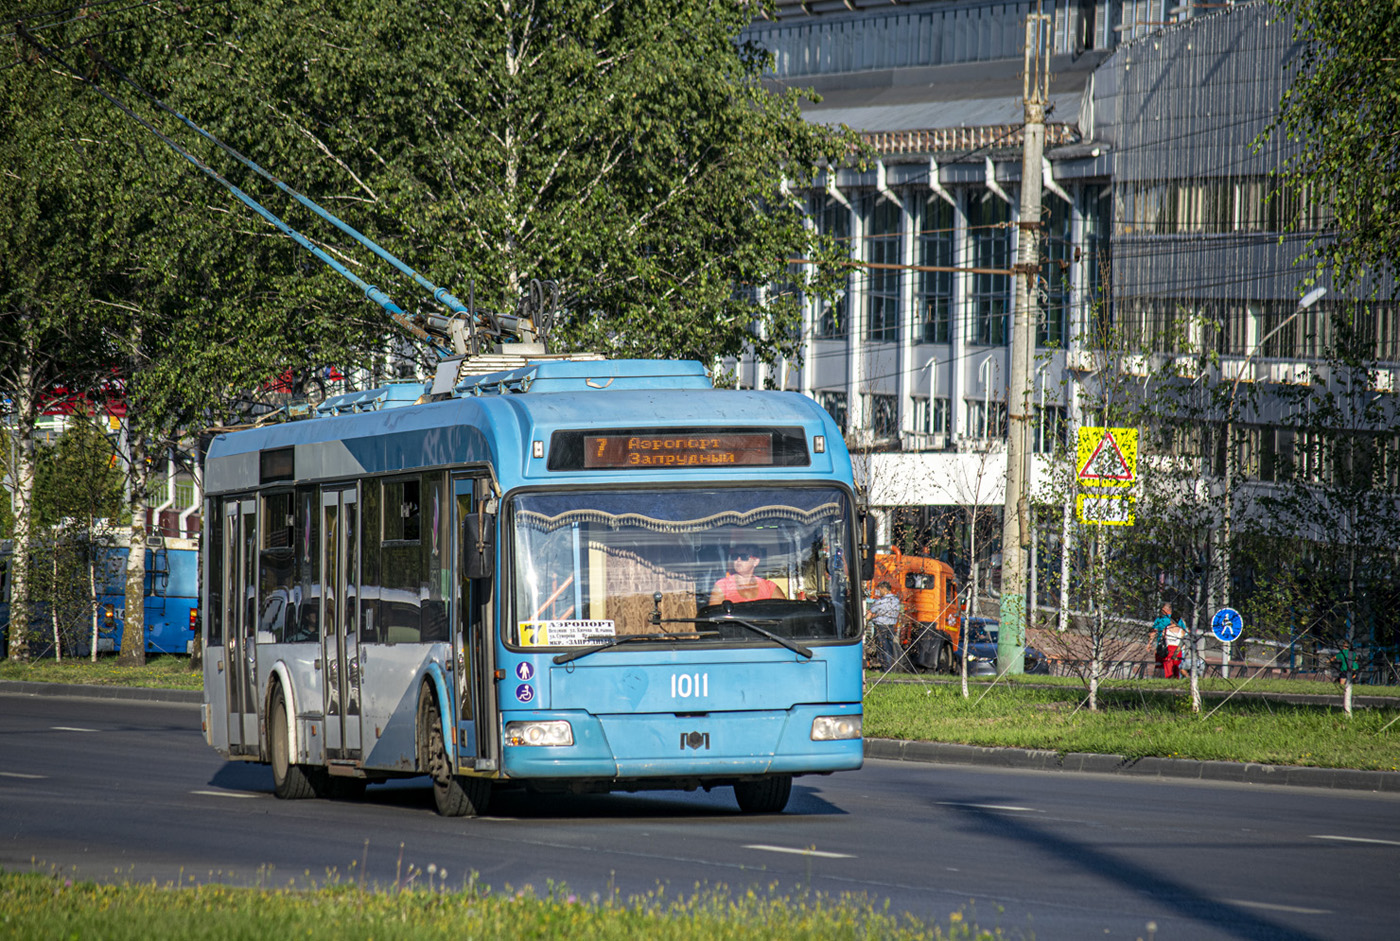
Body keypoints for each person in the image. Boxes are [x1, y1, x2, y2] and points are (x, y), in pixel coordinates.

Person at [709, 543, 786, 605]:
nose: (738, 560)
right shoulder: (722, 586)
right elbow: (714, 615)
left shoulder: (769, 587)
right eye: (735, 556)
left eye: (744, 557)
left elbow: (784, 612)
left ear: (756, 561)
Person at [866, 580, 902, 671]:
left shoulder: (881, 601)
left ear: (884, 589)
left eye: (880, 590)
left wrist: (868, 618)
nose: (879, 592)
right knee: (889, 648)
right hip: (891, 627)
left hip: (880, 627)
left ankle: (885, 668)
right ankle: (890, 667)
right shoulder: (896, 600)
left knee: (882, 648)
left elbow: (871, 611)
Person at [1150, 603, 1173, 676]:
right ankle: (1158, 677)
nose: (1161, 611)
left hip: (1172, 644)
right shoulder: (1159, 619)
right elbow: (1154, 631)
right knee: (1159, 663)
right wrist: (1150, 643)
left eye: (1163, 610)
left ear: (1168, 610)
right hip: (1160, 644)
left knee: (1169, 664)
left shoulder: (1174, 619)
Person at [1164, 613, 1186, 678]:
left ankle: (1168, 680)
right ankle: (1176, 681)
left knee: (1168, 669)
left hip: (1169, 649)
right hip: (1178, 650)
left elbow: (1163, 638)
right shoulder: (1181, 630)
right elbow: (1183, 641)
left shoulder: (1166, 629)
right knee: (1176, 669)